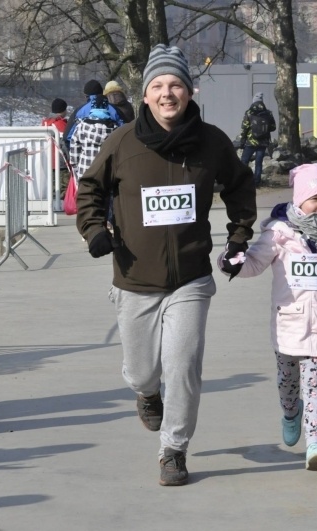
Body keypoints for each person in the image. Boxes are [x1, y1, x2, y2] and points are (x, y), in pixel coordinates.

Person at [76, 43, 257, 487]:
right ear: (144, 95)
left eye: (175, 84)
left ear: (190, 91)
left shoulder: (212, 142)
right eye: (157, 85)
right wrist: (95, 230)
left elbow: (240, 187)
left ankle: (173, 450)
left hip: (190, 278)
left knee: (184, 363)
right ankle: (146, 392)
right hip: (135, 277)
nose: (167, 93)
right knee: (142, 370)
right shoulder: (121, 142)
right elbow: (88, 191)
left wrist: (238, 240)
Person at [217, 163, 317, 471]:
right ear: (299, 201)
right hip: (288, 324)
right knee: (288, 384)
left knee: (316, 385)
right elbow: (255, 262)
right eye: (315, 199)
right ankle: (290, 412)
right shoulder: (279, 234)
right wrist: (234, 264)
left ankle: (315, 444)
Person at [69, 95, 119, 182]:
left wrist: (76, 166)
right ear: (107, 107)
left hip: (85, 171)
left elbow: (74, 150)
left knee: (85, 195)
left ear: (92, 107)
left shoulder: (81, 126)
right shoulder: (115, 129)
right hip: (107, 172)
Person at [63, 80, 124, 150]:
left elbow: (67, 137)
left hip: (86, 155)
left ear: (86, 96)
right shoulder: (114, 110)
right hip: (110, 154)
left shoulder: (79, 111)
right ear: (102, 93)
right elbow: (124, 131)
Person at [238, 92, 276, 188]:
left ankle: (242, 181)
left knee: (244, 161)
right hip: (263, 142)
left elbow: (244, 127)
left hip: (250, 141)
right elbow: (273, 127)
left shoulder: (249, 113)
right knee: (259, 162)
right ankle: (256, 182)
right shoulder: (268, 113)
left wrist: (242, 140)